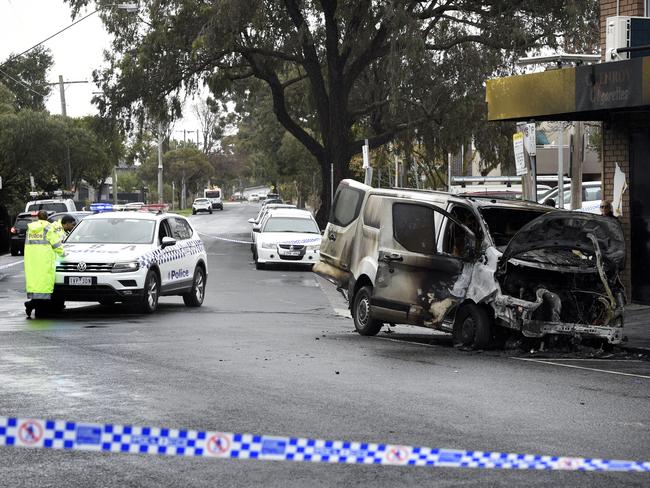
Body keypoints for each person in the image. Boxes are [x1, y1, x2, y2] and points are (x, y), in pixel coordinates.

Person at [24, 211, 65, 318]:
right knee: (44, 286)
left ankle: (32, 305)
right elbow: (56, 243)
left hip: (32, 260)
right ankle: (37, 310)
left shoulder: (30, 228)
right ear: (47, 217)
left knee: (36, 284)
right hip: (45, 260)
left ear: (38, 217)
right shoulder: (48, 227)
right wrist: (63, 253)